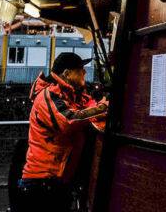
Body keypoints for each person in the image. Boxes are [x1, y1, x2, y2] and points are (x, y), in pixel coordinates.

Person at [15, 52, 108, 212]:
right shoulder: (48, 96)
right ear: (67, 74)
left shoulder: (74, 97)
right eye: (80, 70)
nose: (84, 72)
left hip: (58, 182)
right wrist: (102, 108)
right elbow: (68, 121)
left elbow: (88, 110)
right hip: (41, 182)